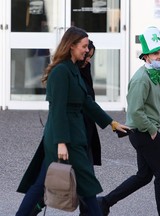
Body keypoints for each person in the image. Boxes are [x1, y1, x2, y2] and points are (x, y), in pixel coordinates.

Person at [15, 26, 129, 216]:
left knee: (42, 184)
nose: (87, 50)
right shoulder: (61, 72)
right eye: (84, 46)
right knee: (87, 185)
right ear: (71, 46)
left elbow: (87, 103)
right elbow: (58, 110)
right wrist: (61, 143)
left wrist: (112, 123)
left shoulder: (73, 70)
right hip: (65, 138)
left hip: (74, 135)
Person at [98, 26, 160, 216]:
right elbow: (135, 111)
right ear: (146, 57)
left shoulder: (152, 75)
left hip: (144, 131)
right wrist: (152, 130)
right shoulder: (141, 79)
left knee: (144, 176)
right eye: (156, 54)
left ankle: (105, 202)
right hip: (144, 132)